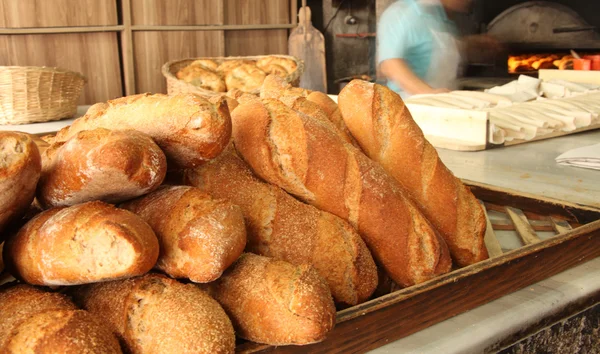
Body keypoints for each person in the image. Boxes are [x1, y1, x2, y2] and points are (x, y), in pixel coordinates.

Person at [377, 0, 498, 98]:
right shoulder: (402, 12)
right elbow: (390, 65)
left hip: (441, 107)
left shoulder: (441, 16)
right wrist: (429, 94)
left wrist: (470, 44)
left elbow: (434, 50)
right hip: (411, 108)